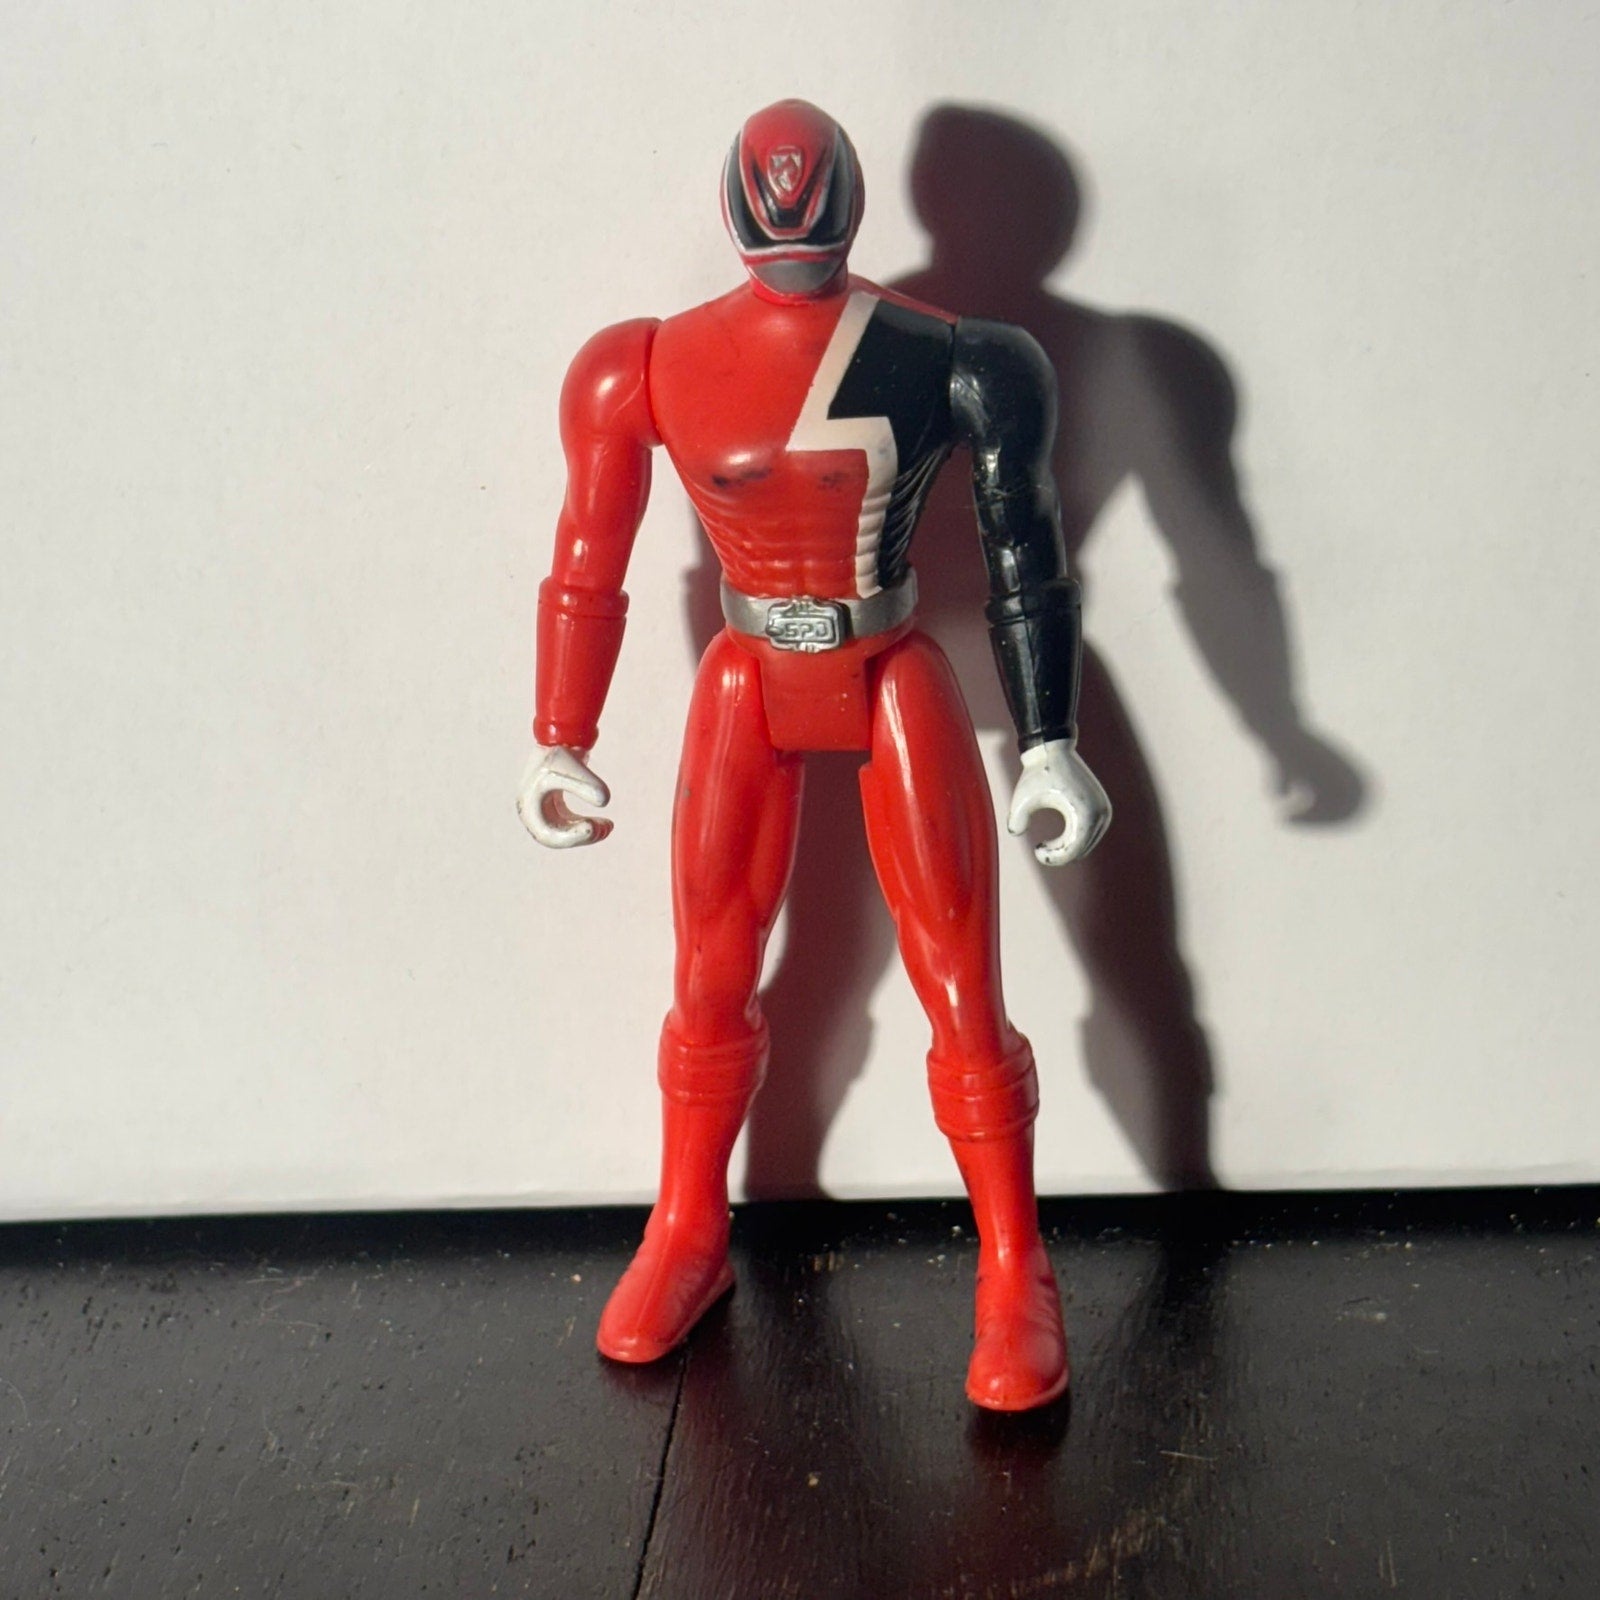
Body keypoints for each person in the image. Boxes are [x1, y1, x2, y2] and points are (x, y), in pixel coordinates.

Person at [518, 100, 1109, 1411]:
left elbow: (1026, 550)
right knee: (710, 971)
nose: (793, 236)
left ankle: (1014, 1266)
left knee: (961, 981)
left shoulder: (956, 356)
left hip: (890, 663)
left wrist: (1050, 741)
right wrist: (560, 732)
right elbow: (586, 560)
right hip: (747, 675)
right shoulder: (644, 364)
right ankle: (687, 1228)